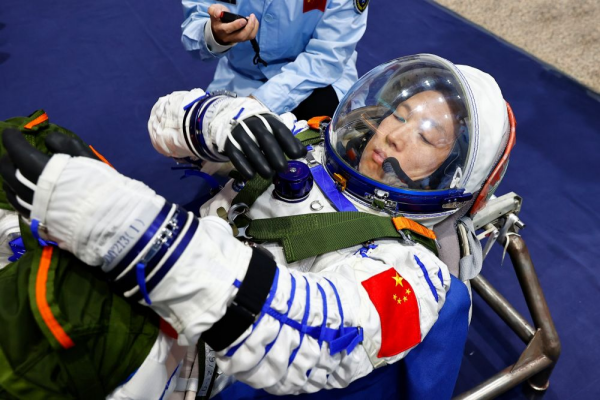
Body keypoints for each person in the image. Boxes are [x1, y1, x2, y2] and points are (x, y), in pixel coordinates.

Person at [0, 54, 512, 399]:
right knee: (23, 140)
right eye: (399, 114)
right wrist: (220, 119)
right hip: (155, 260)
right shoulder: (303, 142)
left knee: (61, 304)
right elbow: (163, 120)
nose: (395, 135)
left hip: (186, 356)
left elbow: (313, 336)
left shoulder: (414, 271)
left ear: (453, 172)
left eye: (427, 136)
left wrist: (135, 234)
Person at [180, 0, 369, 120]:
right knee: (208, 146)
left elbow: (326, 57)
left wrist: (258, 103)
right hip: (241, 77)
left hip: (316, 78)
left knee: (322, 146)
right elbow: (194, 32)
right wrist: (215, 35)